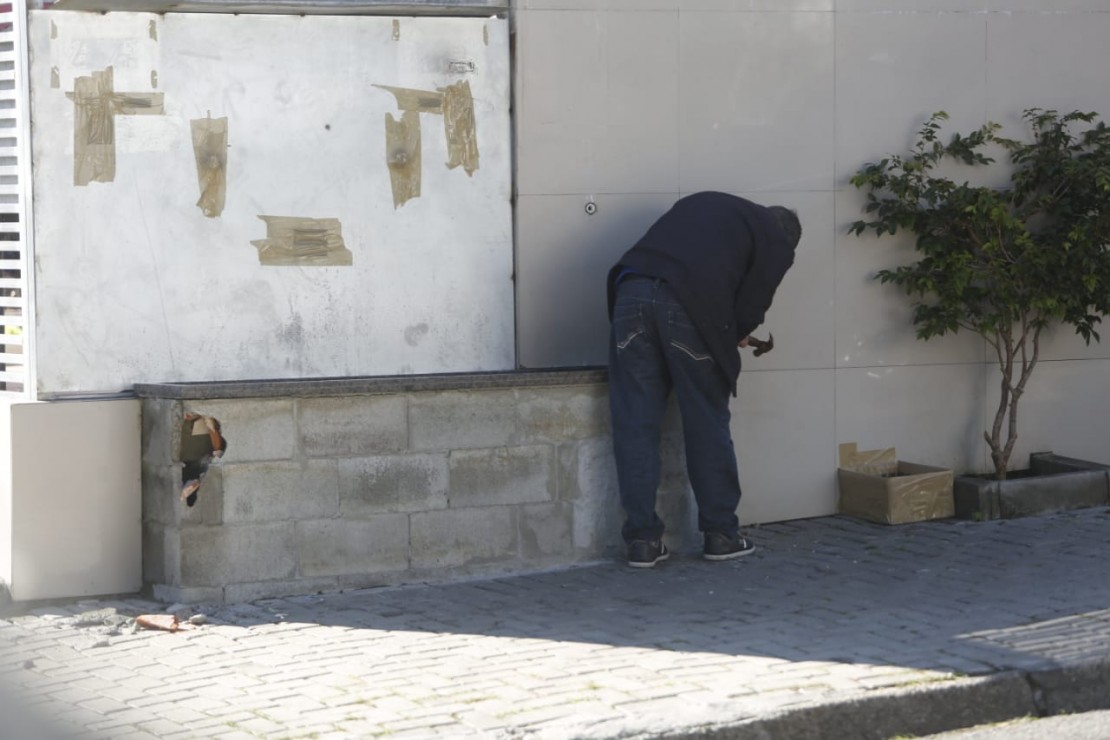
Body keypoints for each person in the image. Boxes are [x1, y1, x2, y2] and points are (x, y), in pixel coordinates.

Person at [606, 191, 801, 568]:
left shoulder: (710, 205)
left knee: (636, 422)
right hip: (686, 305)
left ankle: (643, 542)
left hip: (629, 295)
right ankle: (721, 534)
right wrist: (737, 330)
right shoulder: (775, 238)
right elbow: (753, 302)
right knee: (705, 420)